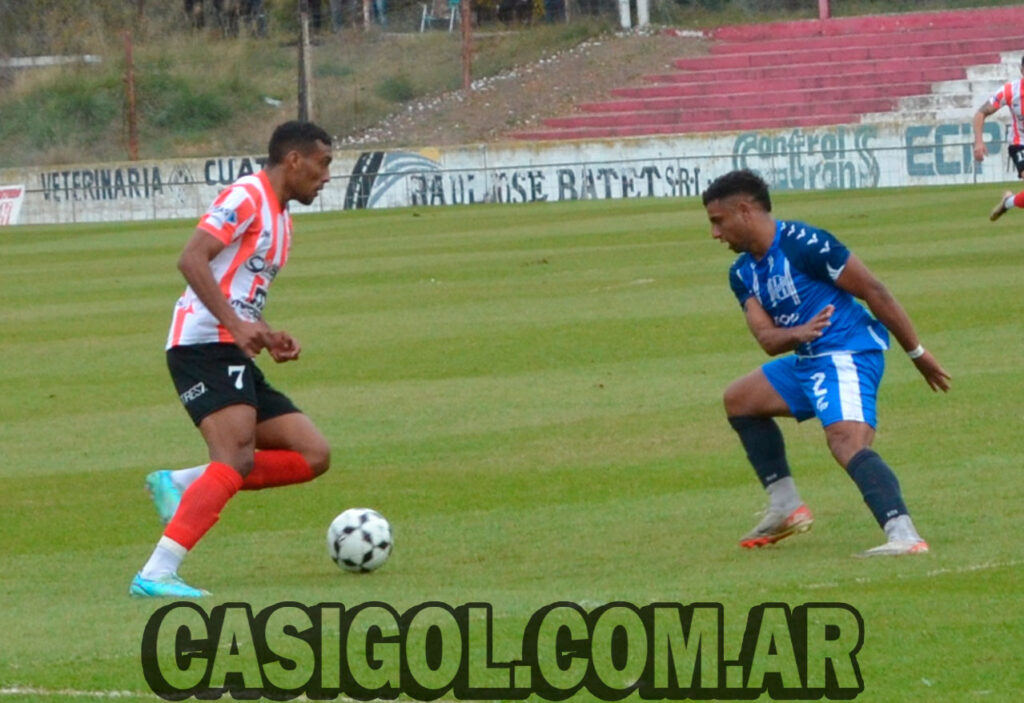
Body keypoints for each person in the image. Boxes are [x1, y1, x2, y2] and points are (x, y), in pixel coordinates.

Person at [130, 121, 334, 597]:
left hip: (230, 345)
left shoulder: (282, 220)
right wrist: (237, 326)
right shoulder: (246, 195)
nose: (326, 176)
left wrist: (264, 332)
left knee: (312, 454)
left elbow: (239, 291)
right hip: (201, 344)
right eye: (323, 164)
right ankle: (156, 573)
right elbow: (192, 258)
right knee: (235, 456)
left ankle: (183, 482)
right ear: (294, 160)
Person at [703, 170, 951, 557]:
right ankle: (786, 506)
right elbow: (767, 340)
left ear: (745, 210)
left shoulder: (805, 243)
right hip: (808, 358)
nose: (715, 234)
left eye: (718, 221)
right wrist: (798, 334)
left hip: (846, 352)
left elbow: (873, 289)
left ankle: (904, 535)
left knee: (846, 442)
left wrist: (917, 353)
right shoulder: (742, 273)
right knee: (740, 400)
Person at [972, 55, 1024, 179]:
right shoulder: (1010, 91)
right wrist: (978, 142)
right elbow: (980, 113)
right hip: (1020, 142)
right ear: (1022, 70)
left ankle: (1011, 194)